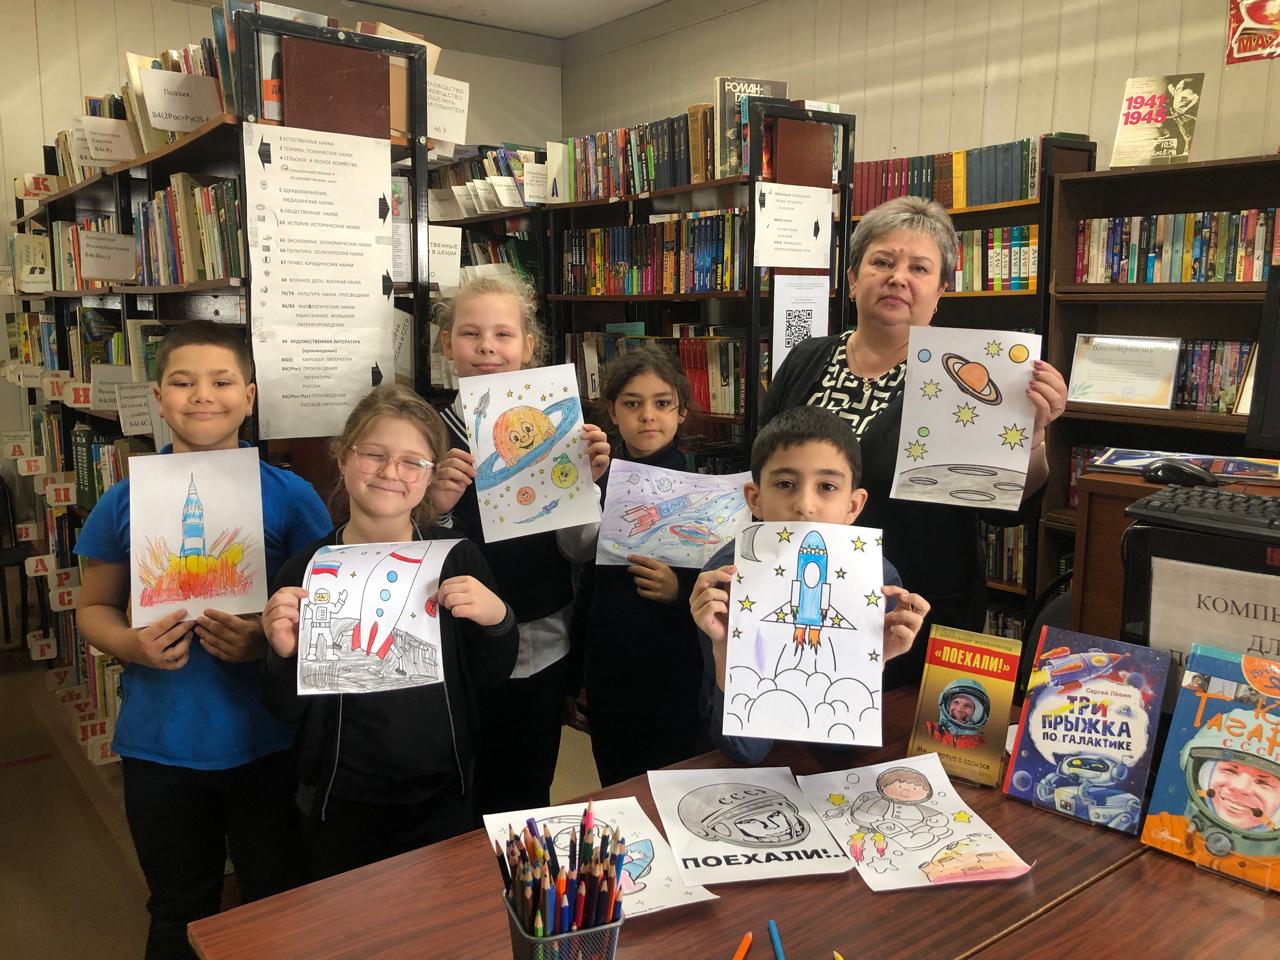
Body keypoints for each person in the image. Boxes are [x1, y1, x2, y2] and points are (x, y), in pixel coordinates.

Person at [74, 321, 331, 959]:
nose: (202, 396)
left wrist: (266, 643)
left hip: (266, 740)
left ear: (249, 396)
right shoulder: (125, 500)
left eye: (221, 382)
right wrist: (131, 646)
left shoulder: (290, 496)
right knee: (178, 908)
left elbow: (327, 611)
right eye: (183, 383)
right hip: (161, 743)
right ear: (158, 397)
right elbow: (93, 607)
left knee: (280, 901)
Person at [761, 195, 1068, 686]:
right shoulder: (805, 360)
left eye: (919, 268)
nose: (898, 278)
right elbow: (761, 470)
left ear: (940, 290)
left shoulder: (974, 377)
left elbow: (1002, 508)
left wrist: (1032, 438)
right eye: (882, 262)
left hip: (918, 614)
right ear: (853, 278)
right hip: (799, 599)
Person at [259, 384, 519, 878]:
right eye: (373, 455)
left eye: (411, 462)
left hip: (442, 792)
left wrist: (498, 619)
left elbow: (491, 677)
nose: (390, 472)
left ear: (430, 475)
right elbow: (281, 709)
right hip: (340, 800)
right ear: (342, 457)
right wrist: (282, 655)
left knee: (441, 912)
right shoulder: (306, 568)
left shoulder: (456, 557)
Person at [426, 275, 611, 812]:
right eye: (471, 333)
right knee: (456, 785)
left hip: (538, 639)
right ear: (447, 344)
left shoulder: (559, 430)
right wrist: (434, 508)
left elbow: (580, 551)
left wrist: (585, 487)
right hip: (451, 641)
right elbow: (403, 541)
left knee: (525, 785)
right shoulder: (426, 433)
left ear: (529, 346)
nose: (487, 346)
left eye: (503, 334)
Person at [690, 406, 930, 765]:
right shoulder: (723, 580)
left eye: (827, 487)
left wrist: (872, 661)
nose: (805, 505)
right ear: (755, 499)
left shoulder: (879, 583)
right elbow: (745, 751)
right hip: (749, 767)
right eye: (785, 484)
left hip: (822, 764)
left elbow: (842, 744)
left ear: (853, 505)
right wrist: (726, 651)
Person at [574, 347, 705, 786]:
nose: (648, 415)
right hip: (612, 677)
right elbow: (587, 583)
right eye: (632, 403)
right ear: (613, 412)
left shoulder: (706, 492)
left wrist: (679, 591)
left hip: (679, 678)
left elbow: (724, 590)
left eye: (662, 403)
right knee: (619, 787)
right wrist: (577, 677)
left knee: (679, 788)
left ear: (681, 411)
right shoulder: (597, 483)